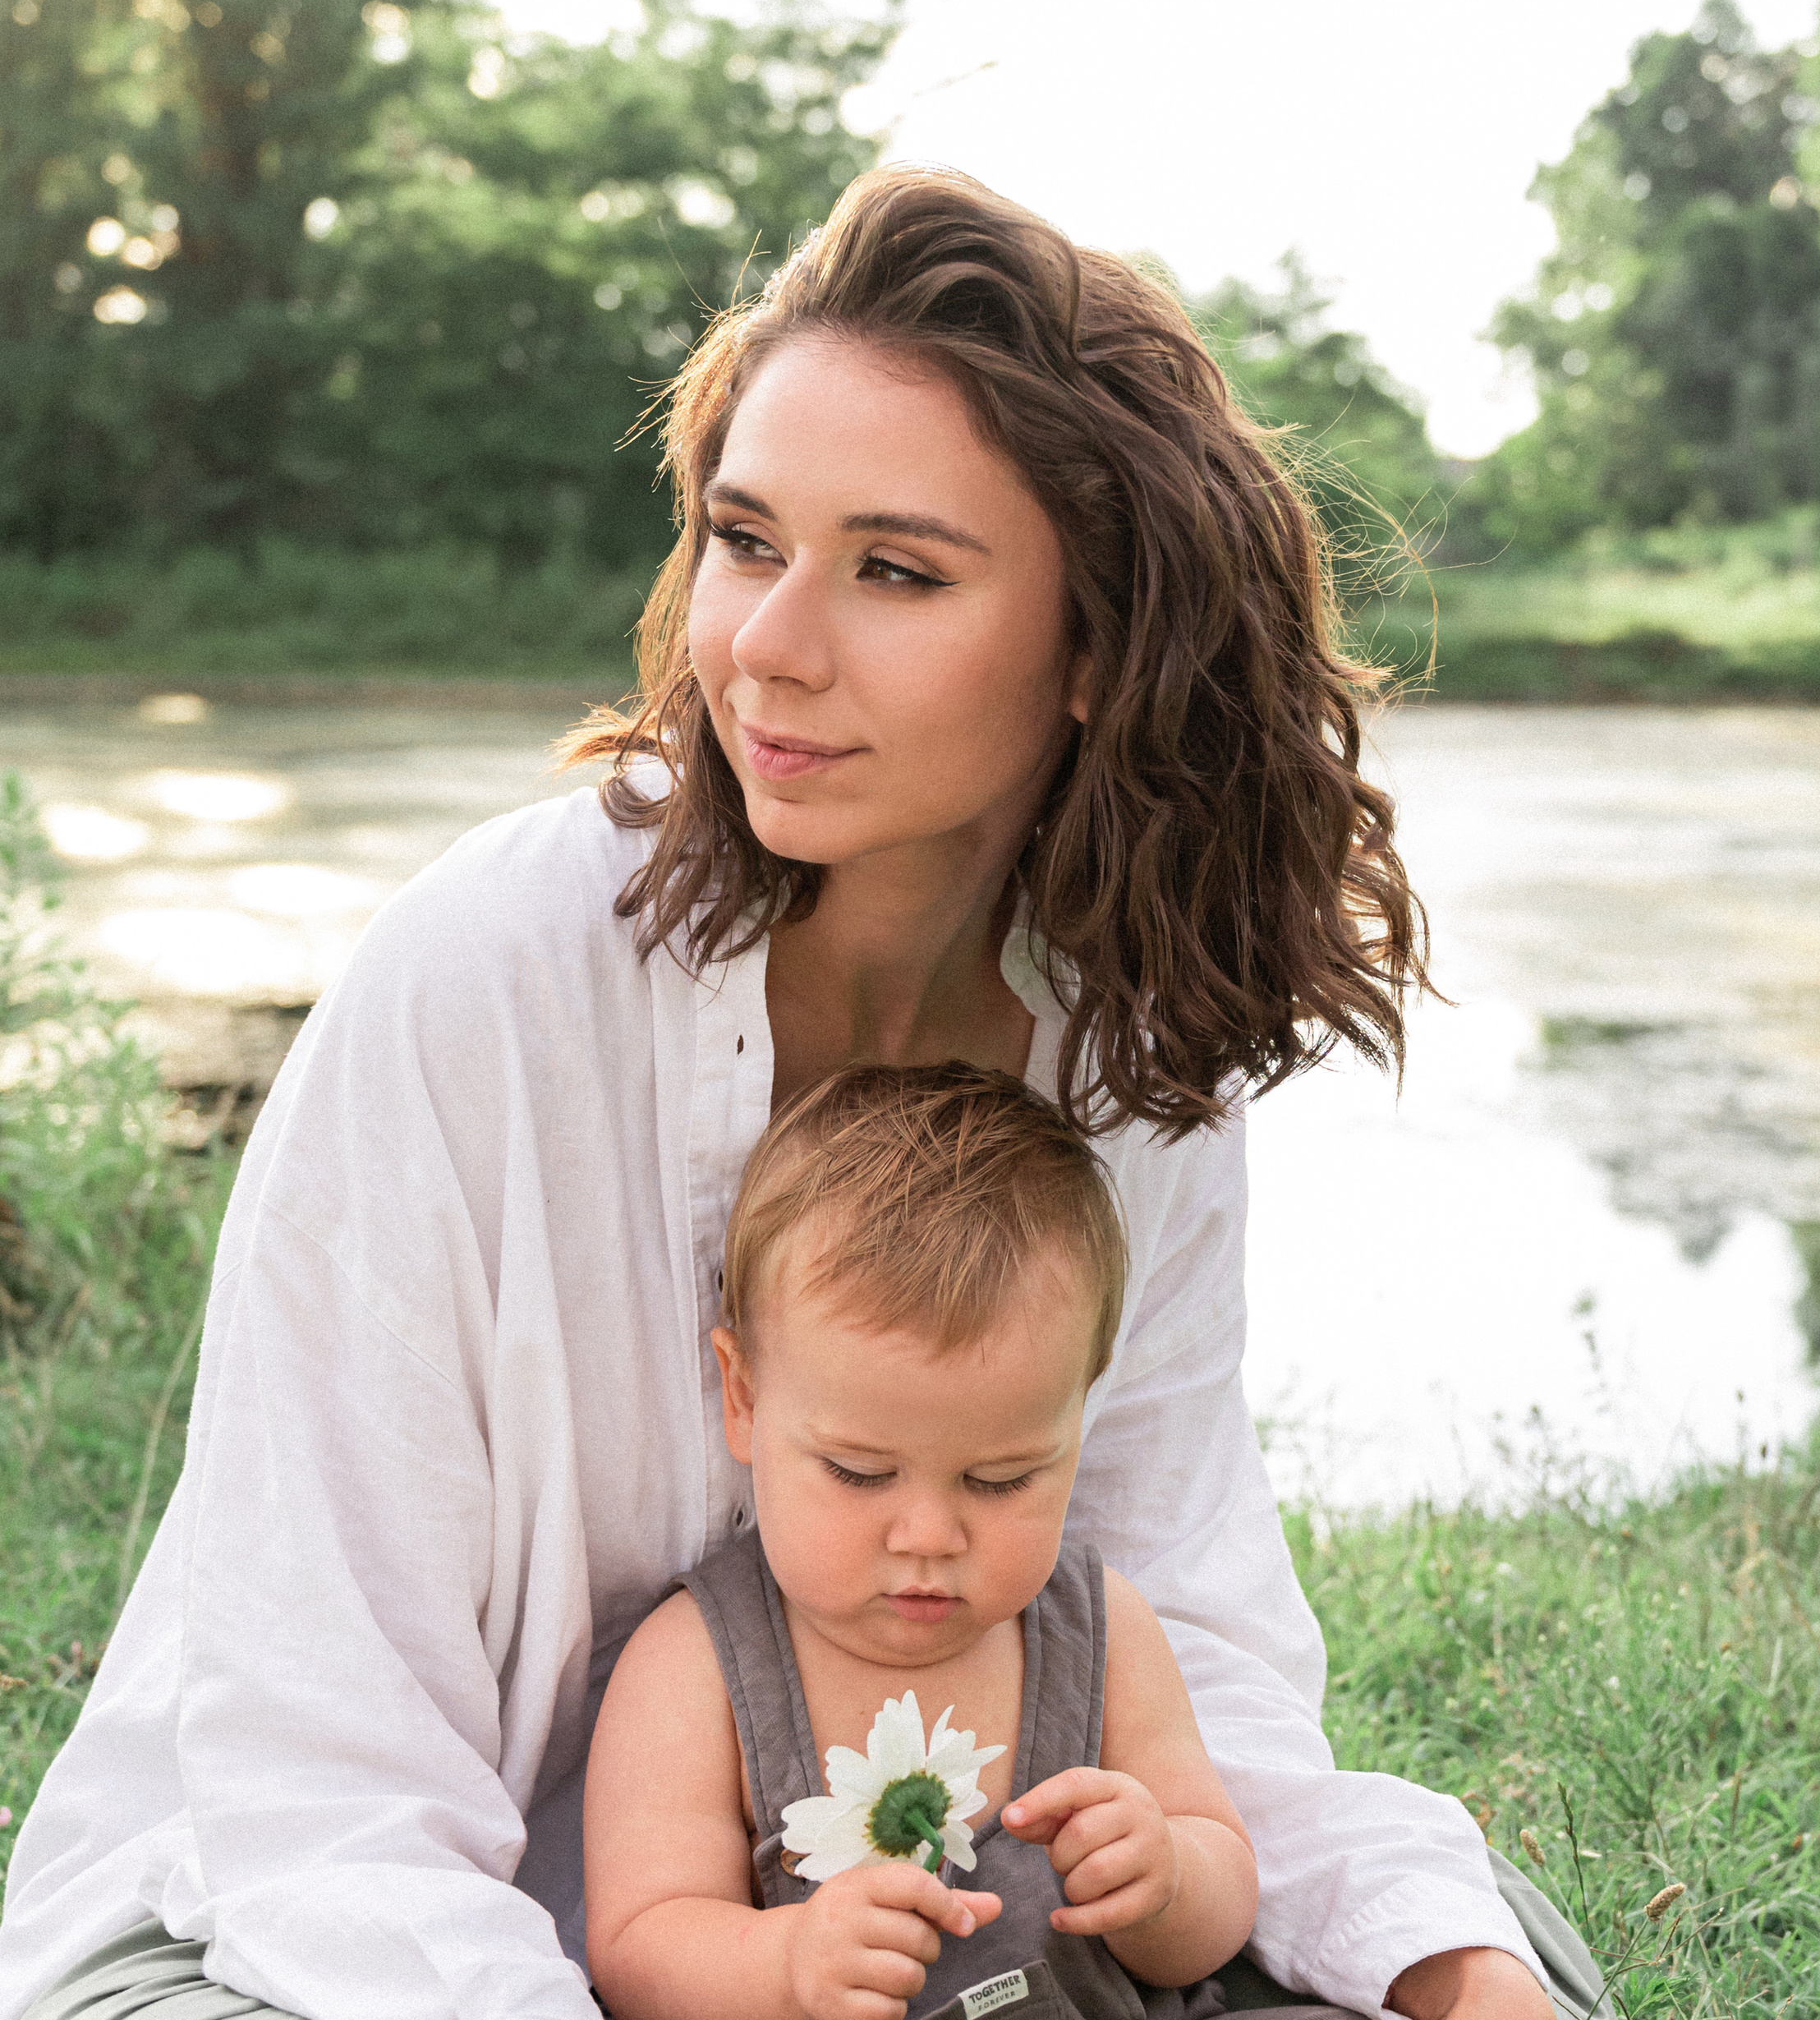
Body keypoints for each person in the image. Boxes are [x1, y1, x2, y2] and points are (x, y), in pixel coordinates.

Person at [0, 167, 1609, 2020]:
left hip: (934, 1953)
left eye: (895, 570)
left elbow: (1179, 1639)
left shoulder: (1130, 1046)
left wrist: (1445, 1966)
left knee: (1476, 1938)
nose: (767, 640)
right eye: (744, 538)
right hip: (333, 1937)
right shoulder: (481, 980)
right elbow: (317, 1773)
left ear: (1094, 645)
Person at [586, 1061, 1356, 2020]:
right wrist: (786, 1959)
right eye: (860, 1472)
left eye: (1001, 1479)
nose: (928, 1535)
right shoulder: (697, 1663)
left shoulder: (1096, 1629)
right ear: (743, 1399)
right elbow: (639, 1941)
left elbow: (1216, 1907)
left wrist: (1163, 1873)